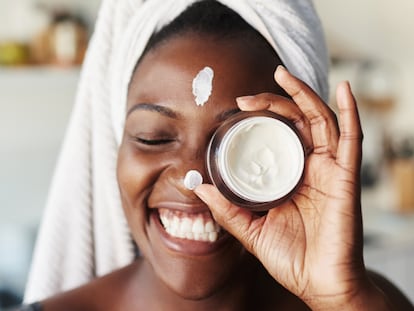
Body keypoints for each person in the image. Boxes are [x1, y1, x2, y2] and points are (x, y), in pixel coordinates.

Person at [22, 0, 414, 310]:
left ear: (303, 154)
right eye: (153, 137)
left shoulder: (368, 303)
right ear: (116, 144)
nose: (194, 182)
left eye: (239, 143)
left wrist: (340, 301)